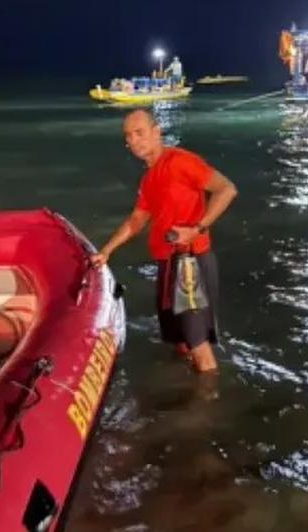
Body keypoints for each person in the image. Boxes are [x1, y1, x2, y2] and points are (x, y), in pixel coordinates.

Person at [89, 109, 238, 373]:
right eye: (128, 136)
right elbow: (137, 219)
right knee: (180, 342)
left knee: (199, 346)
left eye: (140, 133)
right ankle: (184, 385)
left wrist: (197, 228)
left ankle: (208, 396)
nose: (134, 141)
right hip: (168, 263)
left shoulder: (181, 161)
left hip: (190, 262)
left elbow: (226, 189)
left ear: (157, 132)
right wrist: (107, 251)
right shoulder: (149, 178)